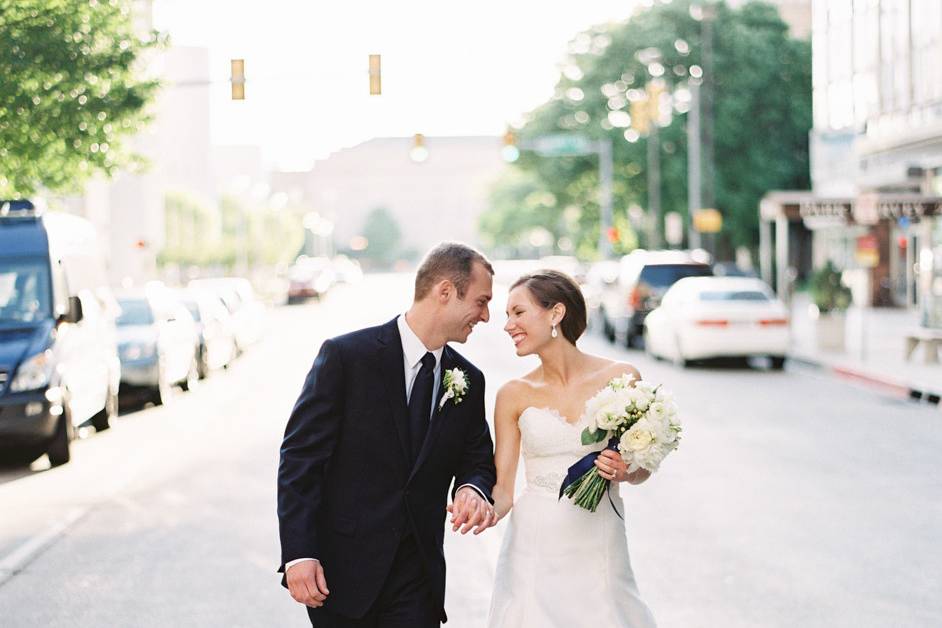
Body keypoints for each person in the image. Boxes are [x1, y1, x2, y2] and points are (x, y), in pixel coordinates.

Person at [277, 242, 499, 628]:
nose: (485, 315)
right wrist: (299, 553)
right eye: (481, 302)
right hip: (341, 576)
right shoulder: (347, 357)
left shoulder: (469, 380)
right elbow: (300, 459)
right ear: (445, 292)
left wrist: (471, 488)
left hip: (418, 578)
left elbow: (476, 457)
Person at [486, 270, 657, 627]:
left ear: (555, 314)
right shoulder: (512, 395)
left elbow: (641, 469)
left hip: (600, 535)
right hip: (534, 542)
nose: (508, 325)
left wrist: (628, 470)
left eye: (518, 312)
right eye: (507, 315)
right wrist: (476, 506)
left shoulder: (621, 377)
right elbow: (503, 491)